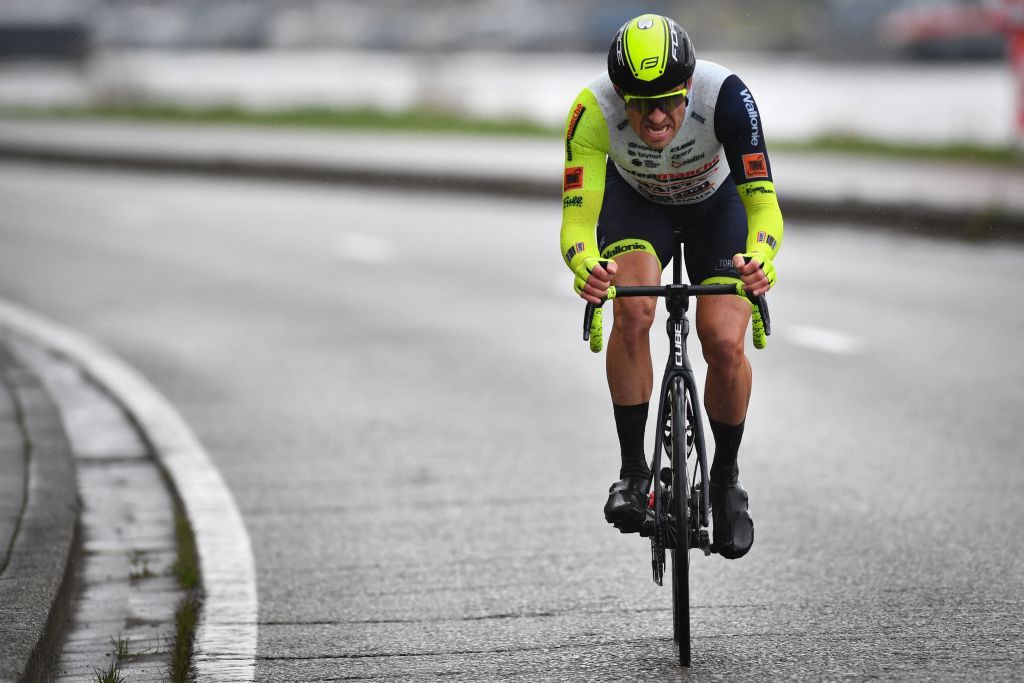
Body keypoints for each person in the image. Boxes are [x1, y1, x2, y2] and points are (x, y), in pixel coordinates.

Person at [560, 13, 783, 559]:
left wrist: (761, 257)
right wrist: (585, 264)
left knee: (723, 340)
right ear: (620, 95)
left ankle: (725, 481)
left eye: (667, 101)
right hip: (638, 207)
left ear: (688, 86)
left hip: (717, 207)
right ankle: (634, 474)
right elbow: (576, 223)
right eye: (640, 104)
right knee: (632, 311)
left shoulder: (726, 97)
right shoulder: (591, 110)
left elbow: (763, 206)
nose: (656, 117)